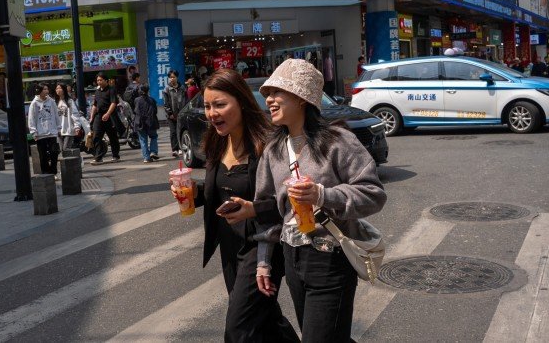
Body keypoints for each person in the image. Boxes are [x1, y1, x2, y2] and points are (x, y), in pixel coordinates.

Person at [253, 59, 387, 342]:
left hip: (331, 258)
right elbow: (266, 211)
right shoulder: (273, 149)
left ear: (301, 97)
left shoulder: (338, 140)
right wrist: (264, 261)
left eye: (278, 92)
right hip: (293, 257)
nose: (269, 100)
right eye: (268, 94)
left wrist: (323, 195)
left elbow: (373, 194)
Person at [170, 69, 299, 343]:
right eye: (207, 106)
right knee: (266, 320)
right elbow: (223, 190)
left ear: (241, 102)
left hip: (262, 245)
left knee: (238, 329)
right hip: (229, 245)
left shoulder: (268, 144)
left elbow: (289, 202)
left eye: (220, 105)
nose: (212, 113)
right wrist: (196, 192)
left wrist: (253, 208)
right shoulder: (216, 141)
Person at [27, 83, 61, 176]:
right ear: (40, 91)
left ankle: (53, 172)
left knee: (54, 152)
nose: (47, 91)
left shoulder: (51, 101)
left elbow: (56, 115)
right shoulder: (34, 103)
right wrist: (33, 132)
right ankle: (46, 172)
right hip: (40, 133)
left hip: (52, 132)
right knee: (43, 155)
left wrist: (58, 128)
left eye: (47, 89)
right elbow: (31, 118)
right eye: (44, 89)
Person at [89, 72, 121, 165]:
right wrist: (91, 117)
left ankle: (115, 155)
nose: (99, 82)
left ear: (106, 80)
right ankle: (98, 157)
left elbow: (113, 103)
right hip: (99, 116)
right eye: (97, 80)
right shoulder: (97, 91)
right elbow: (95, 105)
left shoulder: (111, 90)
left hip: (109, 116)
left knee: (112, 137)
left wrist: (107, 113)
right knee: (96, 136)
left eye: (100, 80)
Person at [163, 70, 187, 158]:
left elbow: (186, 100)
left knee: (180, 131)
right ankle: (174, 149)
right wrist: (170, 113)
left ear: (177, 77)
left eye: (173, 77)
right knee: (173, 132)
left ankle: (181, 148)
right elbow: (165, 103)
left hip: (181, 114)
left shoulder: (182, 88)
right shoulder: (166, 89)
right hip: (171, 115)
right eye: (170, 77)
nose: (172, 79)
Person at [133, 85, 160, 163]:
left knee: (143, 140)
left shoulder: (136, 100)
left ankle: (146, 157)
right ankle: (153, 152)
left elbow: (135, 110)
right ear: (148, 91)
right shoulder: (152, 100)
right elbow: (155, 111)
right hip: (151, 122)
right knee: (154, 136)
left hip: (140, 123)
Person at [55, 83, 82, 151]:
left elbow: (75, 114)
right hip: (58, 130)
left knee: (66, 149)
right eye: (57, 88)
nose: (58, 90)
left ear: (64, 90)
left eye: (60, 88)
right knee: (61, 150)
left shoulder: (69, 101)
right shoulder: (55, 102)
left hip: (68, 128)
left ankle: (73, 161)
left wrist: (77, 126)